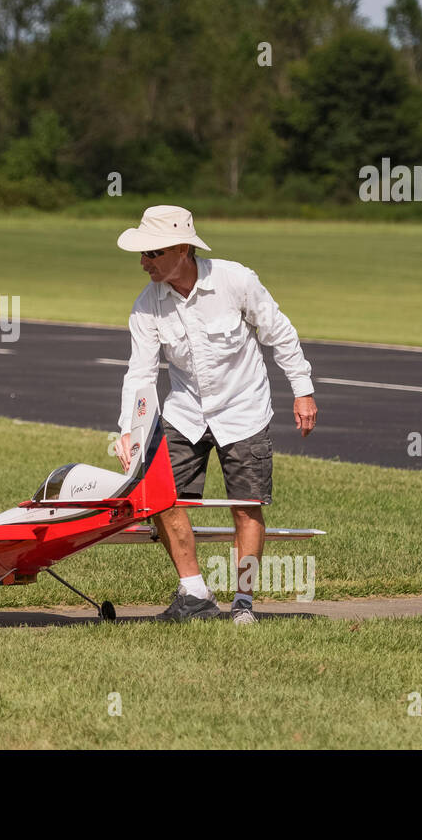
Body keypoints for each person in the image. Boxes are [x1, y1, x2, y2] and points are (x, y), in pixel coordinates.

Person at [113, 205, 316, 625]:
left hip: (244, 411)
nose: (143, 262)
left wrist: (303, 391)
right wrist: (129, 431)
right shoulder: (146, 306)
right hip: (185, 413)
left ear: (183, 248)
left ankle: (243, 602)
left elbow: (279, 332)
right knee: (160, 498)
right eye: (143, 254)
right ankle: (195, 592)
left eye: (153, 253)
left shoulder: (235, 279)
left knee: (246, 506)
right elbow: (141, 373)